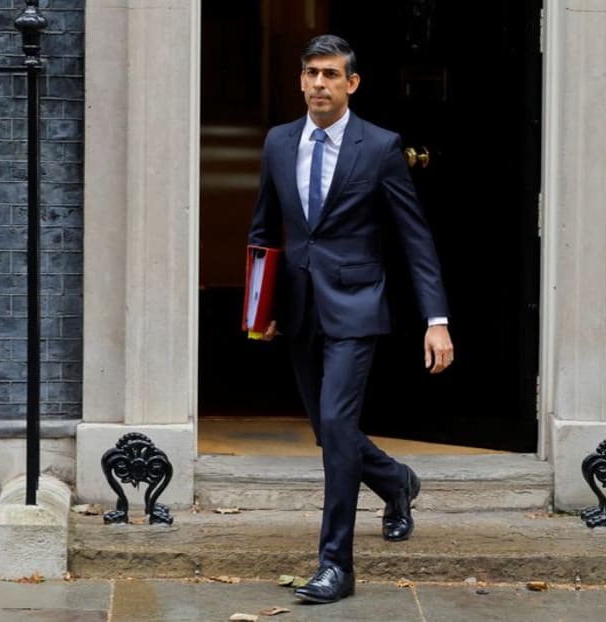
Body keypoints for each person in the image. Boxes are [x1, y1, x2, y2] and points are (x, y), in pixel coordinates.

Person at [247, 34, 454, 604]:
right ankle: (395, 481)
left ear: (352, 84)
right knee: (328, 431)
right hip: (297, 309)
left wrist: (435, 319)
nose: (319, 84)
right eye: (311, 72)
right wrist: (257, 308)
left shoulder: (380, 146)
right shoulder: (278, 142)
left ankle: (335, 563)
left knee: (337, 426)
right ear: (300, 79)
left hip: (358, 306)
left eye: (331, 75)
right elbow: (264, 231)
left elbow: (415, 239)